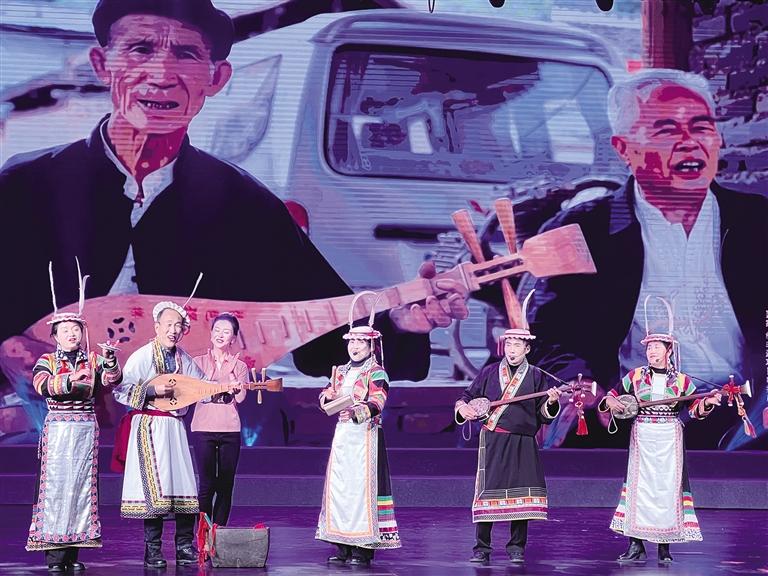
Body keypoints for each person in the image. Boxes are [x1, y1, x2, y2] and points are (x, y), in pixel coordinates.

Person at [0, 1, 468, 440]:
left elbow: (322, 340)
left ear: (216, 77)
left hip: (187, 435)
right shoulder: (24, 186)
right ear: (103, 65)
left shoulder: (247, 207)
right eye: (140, 49)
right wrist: (11, 353)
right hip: (39, 432)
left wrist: (400, 323)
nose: (161, 75)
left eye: (186, 54)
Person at [525, 69, 767, 447]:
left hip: (748, 418)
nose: (690, 143)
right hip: (632, 419)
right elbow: (550, 337)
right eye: (667, 130)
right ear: (623, 149)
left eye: (702, 127)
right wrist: (580, 383)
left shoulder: (758, 222)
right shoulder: (581, 231)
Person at [599, 297, 721, 563]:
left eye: (657, 347)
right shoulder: (634, 376)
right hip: (643, 435)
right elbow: (611, 395)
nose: (651, 351)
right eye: (649, 347)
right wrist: (611, 402)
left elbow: (694, 409)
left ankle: (665, 547)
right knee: (639, 488)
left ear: (669, 351)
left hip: (669, 437)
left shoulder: (682, 381)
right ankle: (636, 545)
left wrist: (708, 403)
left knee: (667, 489)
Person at [26, 262, 122, 573]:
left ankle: (73, 552)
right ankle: (55, 556)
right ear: (55, 335)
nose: (71, 334)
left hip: (84, 430)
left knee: (81, 488)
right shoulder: (47, 359)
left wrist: (110, 361)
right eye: (65, 330)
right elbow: (41, 384)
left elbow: (112, 381)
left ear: (82, 333)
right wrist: (70, 380)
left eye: (76, 329)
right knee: (56, 488)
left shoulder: (92, 358)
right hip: (58, 430)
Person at [454, 291, 561, 565]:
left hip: (523, 441)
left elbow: (544, 415)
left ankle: (516, 547)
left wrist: (551, 401)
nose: (512, 349)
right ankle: (482, 547)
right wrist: (463, 409)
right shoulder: (490, 372)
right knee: (487, 492)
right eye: (509, 344)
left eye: (517, 345)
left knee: (521, 495)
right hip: (493, 439)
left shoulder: (537, 376)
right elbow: (466, 398)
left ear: (527, 349)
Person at [112, 299, 206, 568]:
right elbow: (120, 390)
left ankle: (184, 547)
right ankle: (152, 550)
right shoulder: (142, 356)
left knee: (183, 486)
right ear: (157, 326)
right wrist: (152, 391)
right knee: (155, 489)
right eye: (168, 324)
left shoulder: (184, 359)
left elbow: (201, 387)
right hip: (149, 427)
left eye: (178, 325)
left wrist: (223, 390)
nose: (173, 330)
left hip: (175, 428)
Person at [316, 292, 401, 567]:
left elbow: (378, 402)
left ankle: (363, 549)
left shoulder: (376, 373)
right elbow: (326, 394)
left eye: (360, 342)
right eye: (352, 341)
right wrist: (328, 399)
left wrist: (354, 412)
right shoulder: (340, 371)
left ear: (371, 346)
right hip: (343, 437)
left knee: (361, 491)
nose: (354, 346)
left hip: (365, 437)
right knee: (341, 489)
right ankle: (342, 545)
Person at [191, 313, 248, 526]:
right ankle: (204, 533)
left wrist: (232, 373)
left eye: (226, 332)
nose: (220, 335)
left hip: (230, 429)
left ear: (233, 338)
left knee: (225, 484)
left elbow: (240, 398)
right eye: (217, 330)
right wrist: (219, 384)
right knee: (206, 484)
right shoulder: (197, 363)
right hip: (203, 428)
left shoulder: (240, 366)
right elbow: (195, 393)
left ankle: (219, 531)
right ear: (211, 334)